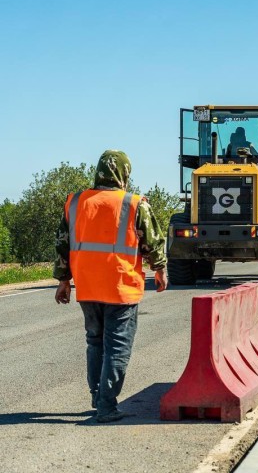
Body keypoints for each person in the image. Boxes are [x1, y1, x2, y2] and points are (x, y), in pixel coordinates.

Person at [53, 150, 168, 423]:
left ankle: (97, 397)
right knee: (117, 347)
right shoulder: (134, 203)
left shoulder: (76, 202)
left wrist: (63, 280)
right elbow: (152, 241)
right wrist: (160, 269)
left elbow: (62, 243)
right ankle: (106, 406)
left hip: (88, 286)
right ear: (125, 174)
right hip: (121, 286)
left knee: (95, 343)